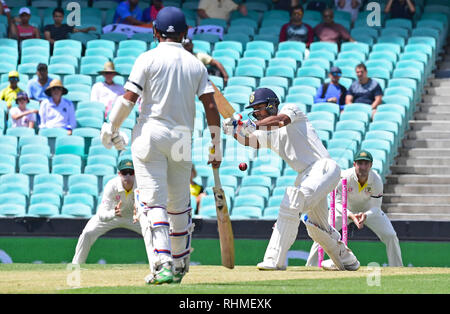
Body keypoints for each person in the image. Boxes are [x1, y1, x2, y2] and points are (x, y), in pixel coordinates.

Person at [100, 7, 222, 285]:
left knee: (153, 203)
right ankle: (180, 265)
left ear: (155, 32)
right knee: (179, 205)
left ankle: (164, 263)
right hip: (181, 138)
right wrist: (216, 145)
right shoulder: (195, 64)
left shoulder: (148, 58)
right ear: (185, 33)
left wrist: (112, 126)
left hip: (150, 135)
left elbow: (129, 98)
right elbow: (211, 105)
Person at [222, 87, 360, 271]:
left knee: (292, 201)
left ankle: (274, 259)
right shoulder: (267, 133)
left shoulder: (291, 110)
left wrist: (253, 125)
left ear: (272, 106)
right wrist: (234, 132)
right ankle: (347, 260)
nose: (256, 114)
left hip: (323, 167)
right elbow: (251, 141)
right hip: (306, 175)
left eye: (259, 108)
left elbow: (280, 121)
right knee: (314, 226)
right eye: (253, 110)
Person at [306, 150, 403, 267]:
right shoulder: (343, 177)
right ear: (354, 164)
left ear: (371, 165)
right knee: (322, 234)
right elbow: (337, 204)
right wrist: (351, 215)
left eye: (366, 163)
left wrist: (365, 215)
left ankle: (397, 267)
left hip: (369, 212)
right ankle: (311, 266)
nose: (363, 167)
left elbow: (376, 207)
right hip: (344, 211)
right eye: (360, 163)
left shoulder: (376, 180)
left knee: (391, 235)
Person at [72, 159, 142, 264]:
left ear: (135, 173)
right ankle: (76, 265)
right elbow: (101, 214)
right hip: (112, 216)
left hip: (134, 218)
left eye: (131, 173)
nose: (127, 176)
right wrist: (113, 213)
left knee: (153, 233)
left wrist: (140, 214)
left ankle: (163, 267)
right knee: (87, 233)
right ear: (119, 174)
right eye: (124, 173)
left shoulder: (142, 185)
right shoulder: (112, 185)